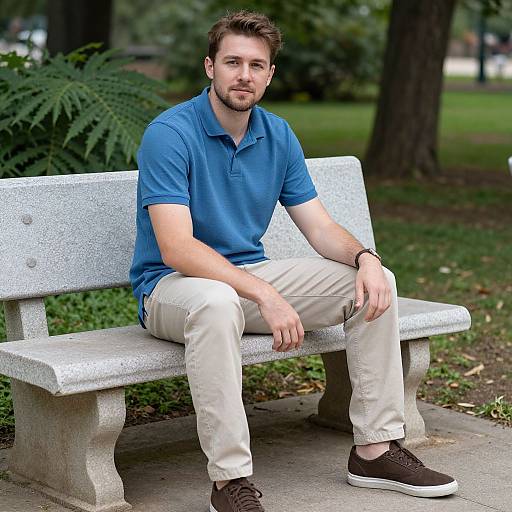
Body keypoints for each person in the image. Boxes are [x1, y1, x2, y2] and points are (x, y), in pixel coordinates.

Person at [130, 10, 458, 512]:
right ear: (209, 67)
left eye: (256, 65)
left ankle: (375, 449)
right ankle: (230, 482)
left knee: (373, 282)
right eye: (232, 62)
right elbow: (176, 248)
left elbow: (321, 228)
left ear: (269, 74)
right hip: (173, 288)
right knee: (218, 303)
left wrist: (366, 257)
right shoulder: (170, 134)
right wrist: (264, 293)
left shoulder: (277, 134)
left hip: (244, 279)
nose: (244, 75)